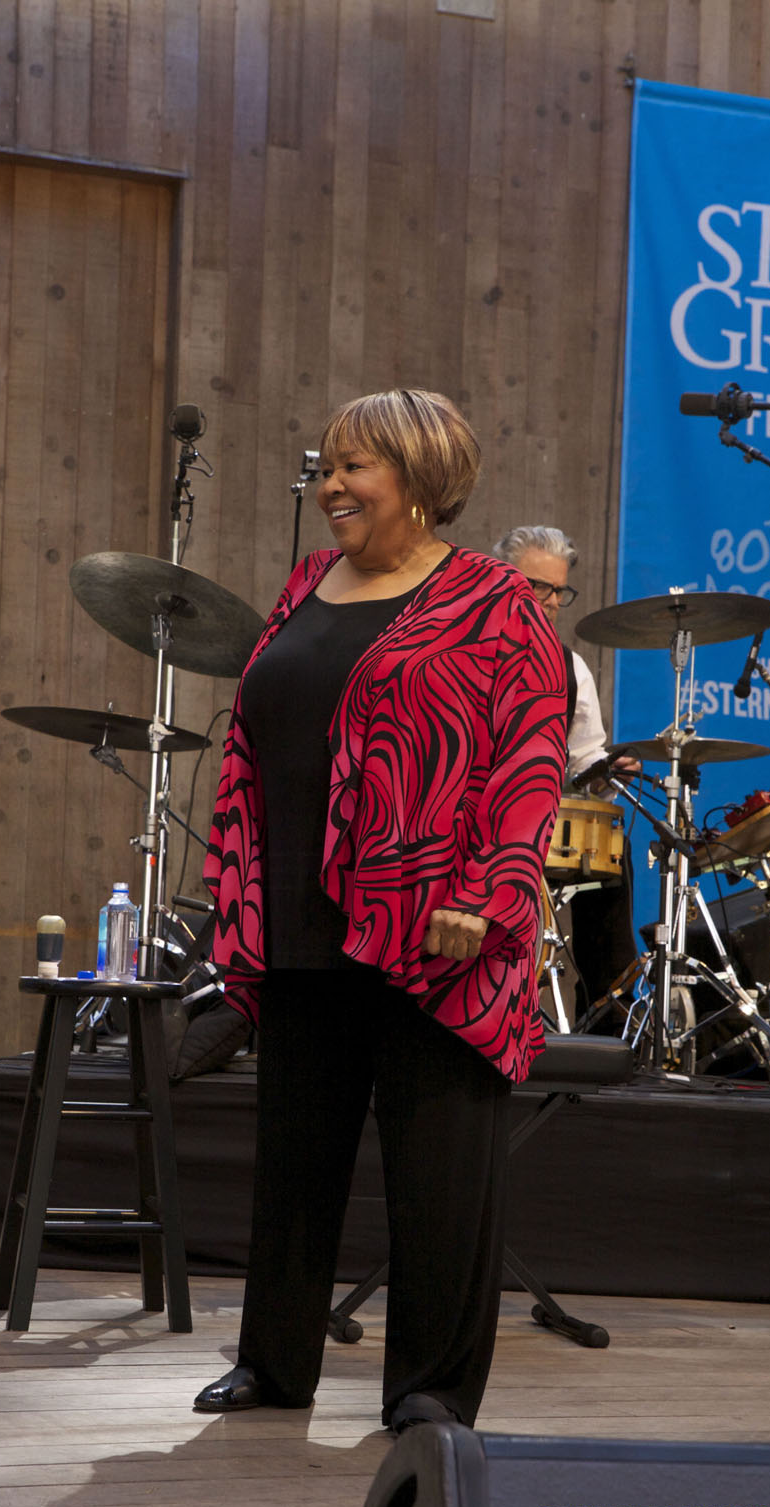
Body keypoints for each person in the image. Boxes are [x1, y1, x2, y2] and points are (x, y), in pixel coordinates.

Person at [194, 390, 567, 1434]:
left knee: (439, 1185)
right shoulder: (307, 585)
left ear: (421, 476)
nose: (333, 487)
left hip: (435, 932)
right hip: (305, 923)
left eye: (358, 468)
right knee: (294, 1166)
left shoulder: (496, 601)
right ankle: (274, 1365)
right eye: (329, 468)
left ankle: (431, 1392)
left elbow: (531, 758)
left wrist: (490, 894)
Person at [491, 526, 639, 1024]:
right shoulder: (468, 650)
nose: (552, 601)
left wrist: (605, 771)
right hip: (476, 818)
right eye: (540, 587)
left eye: (560, 591)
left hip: (543, 822)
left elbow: (584, 762)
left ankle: (607, 1018)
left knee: (614, 856)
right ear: (503, 580)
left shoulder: (571, 669)